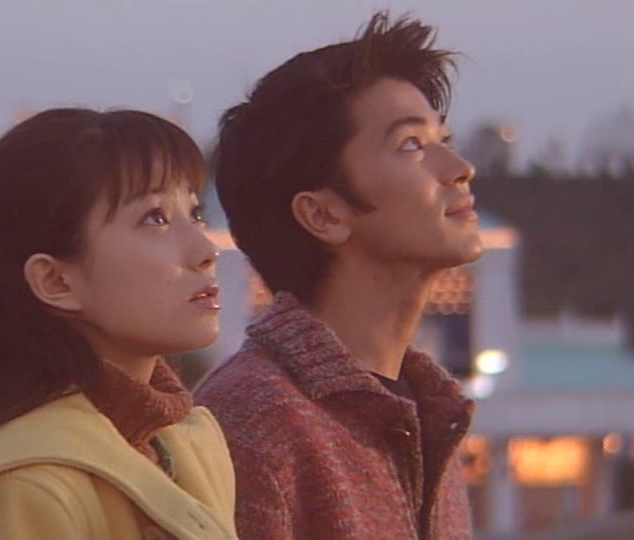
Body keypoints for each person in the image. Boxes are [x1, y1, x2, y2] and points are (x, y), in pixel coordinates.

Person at [195, 11, 481, 540]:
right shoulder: (253, 425)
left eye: (443, 138)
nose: (460, 167)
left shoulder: (429, 414)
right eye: (411, 145)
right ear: (323, 215)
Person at [0, 108, 236, 539]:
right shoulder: (27, 490)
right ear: (55, 281)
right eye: (154, 218)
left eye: (194, 214)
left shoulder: (190, 443)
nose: (205, 250)